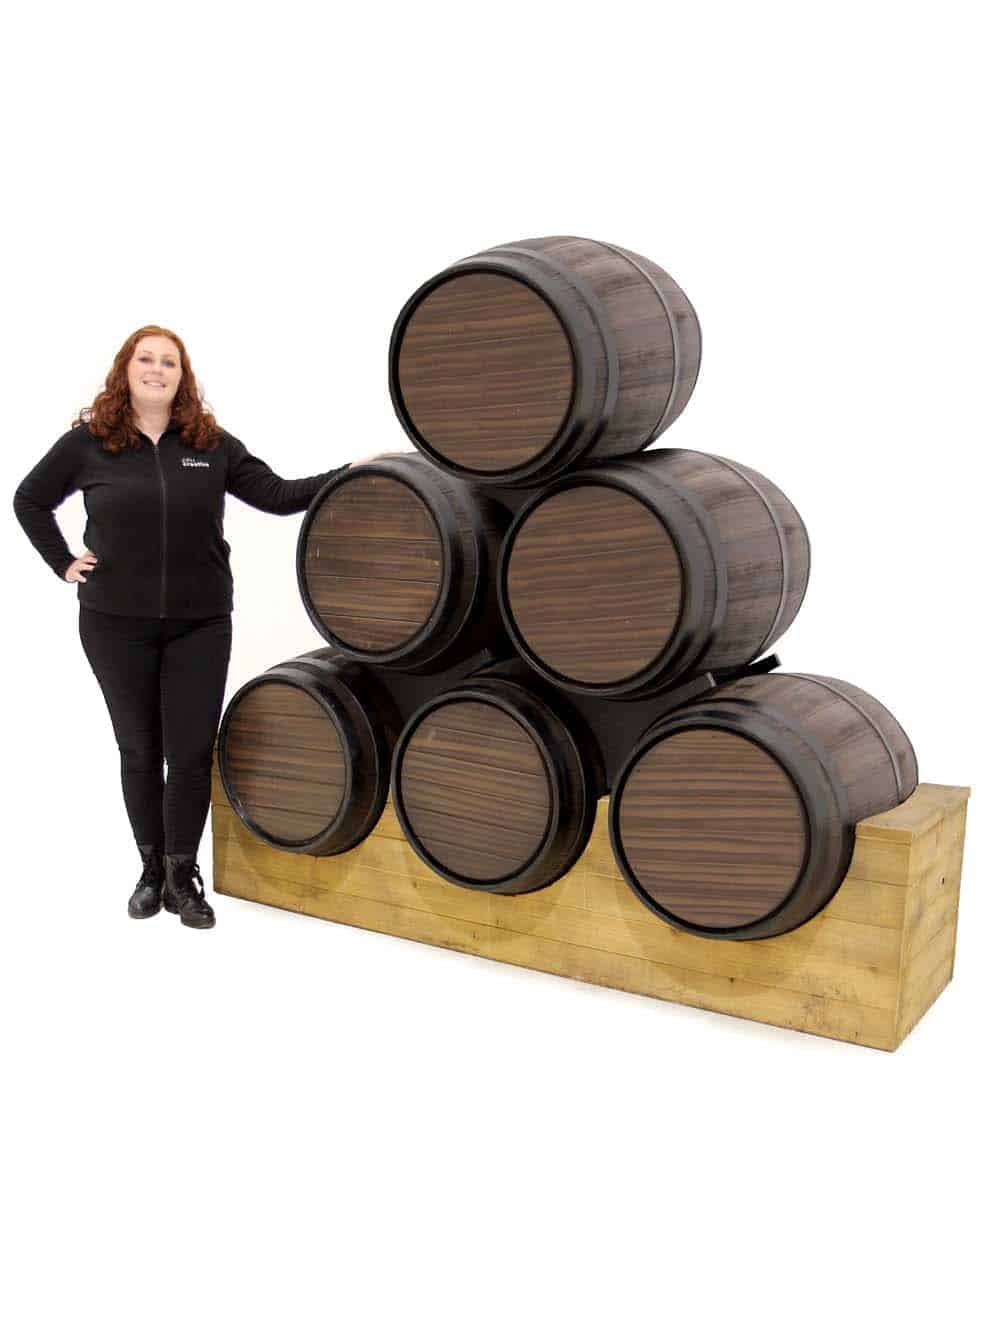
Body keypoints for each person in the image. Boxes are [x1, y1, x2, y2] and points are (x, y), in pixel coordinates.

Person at [13, 324, 350, 930]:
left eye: (169, 361)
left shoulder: (209, 443)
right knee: (139, 749)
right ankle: (148, 871)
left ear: (182, 376)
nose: (157, 369)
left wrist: (352, 471)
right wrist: (63, 562)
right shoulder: (89, 443)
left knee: (191, 752)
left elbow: (277, 494)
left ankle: (181, 874)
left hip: (200, 623)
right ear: (126, 369)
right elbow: (29, 499)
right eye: (146, 359)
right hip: (115, 623)